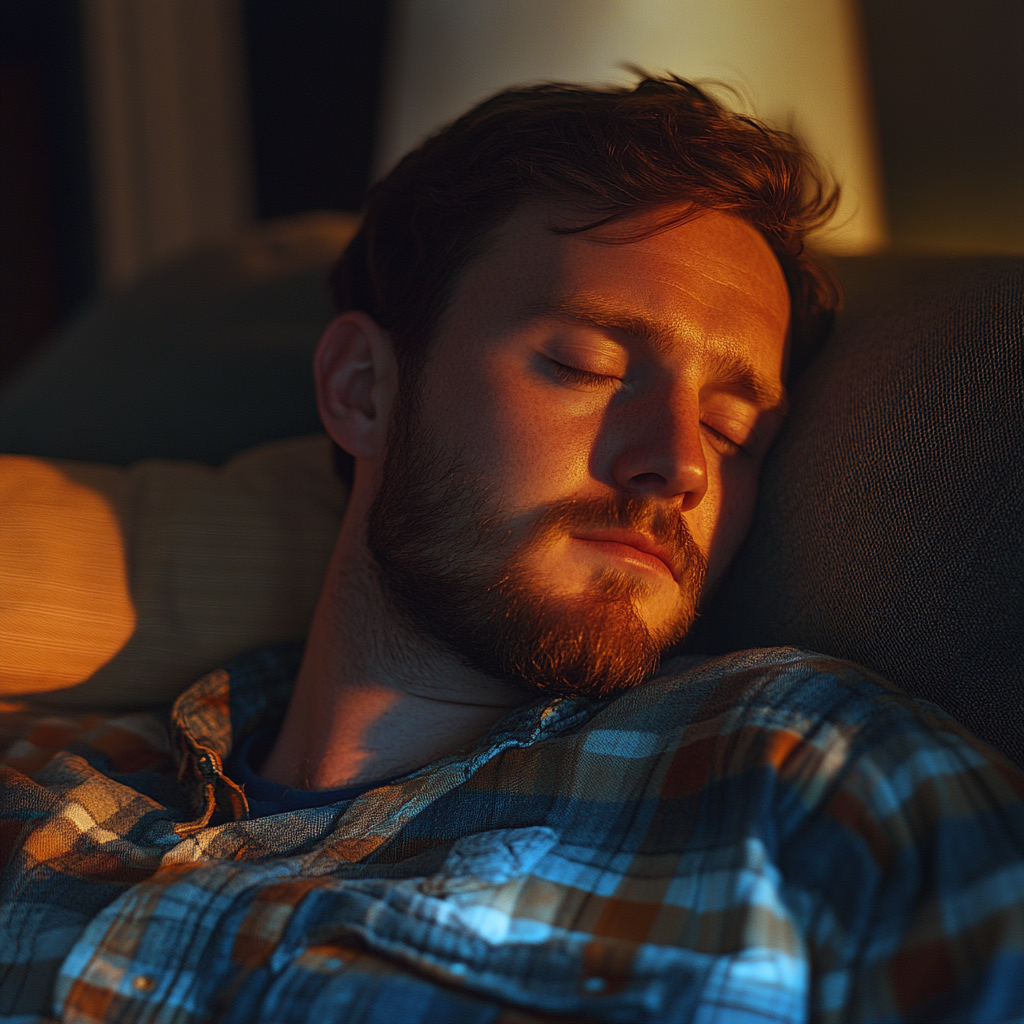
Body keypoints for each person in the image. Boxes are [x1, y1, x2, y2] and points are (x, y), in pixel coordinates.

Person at [1, 75, 1022, 1024]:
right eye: (584, 363)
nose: (678, 465)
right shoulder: (48, 785)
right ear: (363, 387)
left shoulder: (806, 771)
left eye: (730, 428)